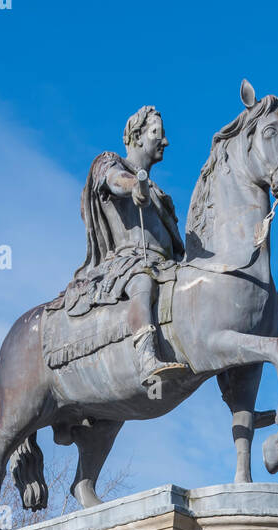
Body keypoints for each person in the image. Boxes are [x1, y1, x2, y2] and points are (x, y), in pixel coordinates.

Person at [68, 105, 186, 384]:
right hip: (128, 262)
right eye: (158, 133)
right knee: (141, 282)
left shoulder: (161, 194)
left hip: (166, 266)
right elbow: (112, 181)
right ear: (138, 136)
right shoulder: (109, 161)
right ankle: (147, 359)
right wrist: (134, 184)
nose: (165, 141)